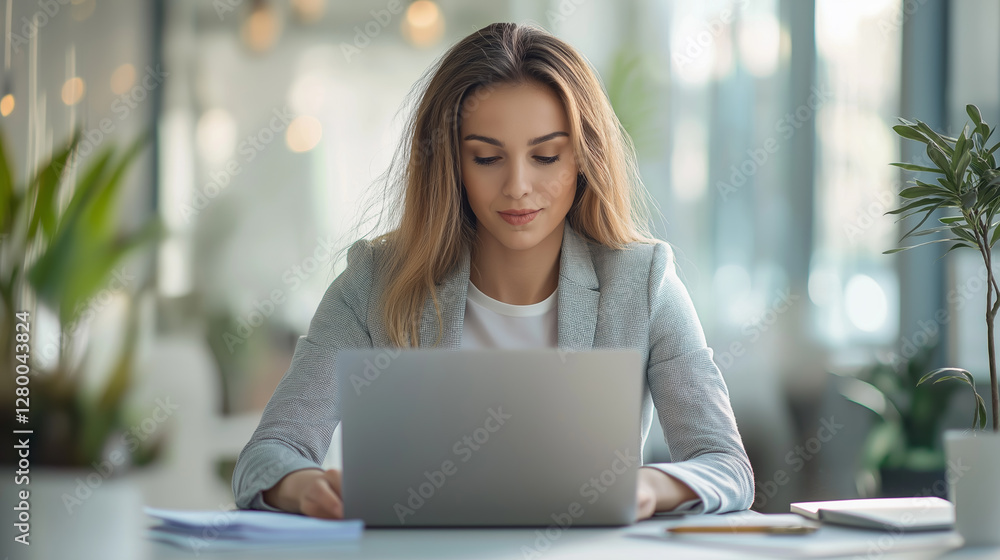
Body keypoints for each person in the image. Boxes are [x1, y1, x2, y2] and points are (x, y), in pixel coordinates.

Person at [232, 21, 754, 521]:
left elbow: (726, 465)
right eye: (486, 158)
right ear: (451, 164)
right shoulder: (374, 283)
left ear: (582, 158)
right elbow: (267, 455)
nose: (518, 186)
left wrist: (645, 487)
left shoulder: (643, 282)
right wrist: (306, 487)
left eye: (546, 156)